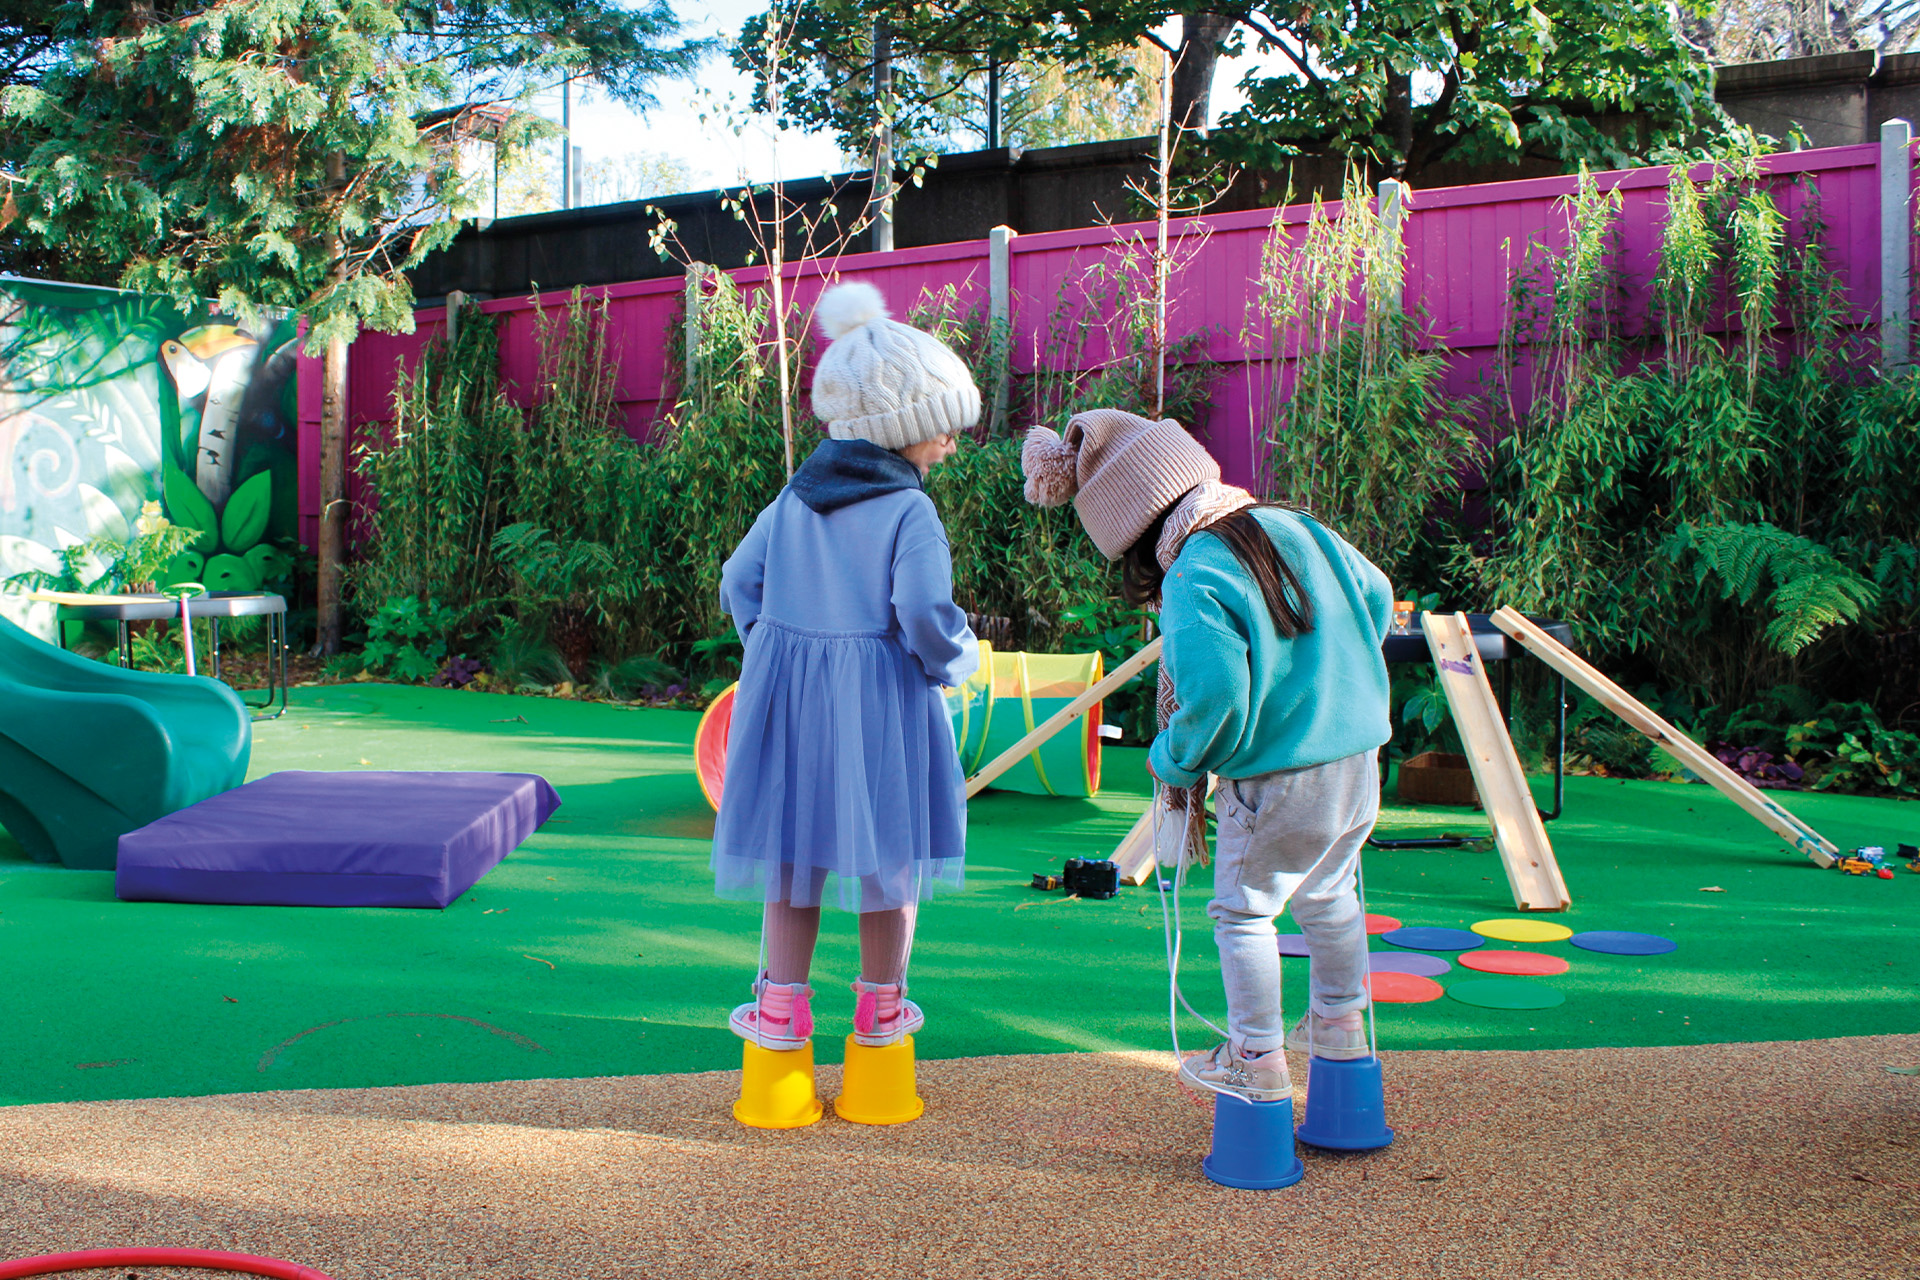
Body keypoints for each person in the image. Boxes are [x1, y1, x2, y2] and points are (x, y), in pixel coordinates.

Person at [1021, 409, 1392, 1101]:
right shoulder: (1297, 524)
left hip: (1278, 775)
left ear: (1133, 535)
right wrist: (1338, 681)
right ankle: (1341, 1030)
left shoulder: (1195, 570)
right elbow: (1376, 595)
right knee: (1328, 895)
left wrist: (1177, 760)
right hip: (1358, 755)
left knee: (1246, 911)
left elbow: (1216, 695)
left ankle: (1255, 1059)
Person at [713, 281, 979, 1054]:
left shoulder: (794, 500)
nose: (950, 445)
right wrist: (953, 661)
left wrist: (771, 647)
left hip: (792, 705)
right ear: (903, 428)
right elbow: (924, 610)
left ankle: (780, 1012)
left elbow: (739, 581)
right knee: (890, 856)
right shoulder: (909, 510)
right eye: (943, 431)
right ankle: (882, 1011)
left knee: (794, 861)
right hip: (882, 704)